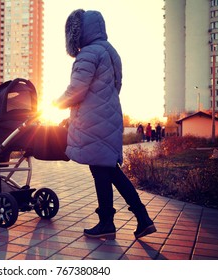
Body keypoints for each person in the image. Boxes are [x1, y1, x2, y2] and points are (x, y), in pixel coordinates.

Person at [53, 9, 156, 239]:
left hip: (92, 120)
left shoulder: (88, 54)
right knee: (105, 169)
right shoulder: (111, 52)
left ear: (79, 32)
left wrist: (56, 104)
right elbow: (117, 85)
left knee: (105, 170)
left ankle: (129, 219)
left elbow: (76, 90)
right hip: (109, 116)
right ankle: (122, 220)